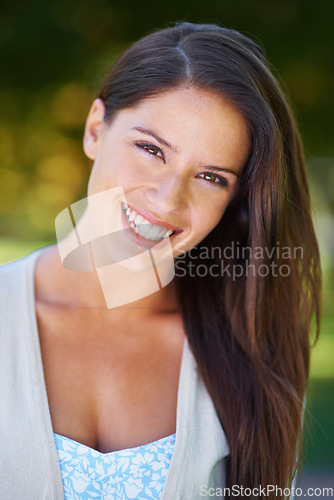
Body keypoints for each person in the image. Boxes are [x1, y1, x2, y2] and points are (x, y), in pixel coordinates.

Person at [0, 22, 321, 500]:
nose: (168, 200)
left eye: (212, 177)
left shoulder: (248, 350)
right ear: (94, 130)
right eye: (151, 149)